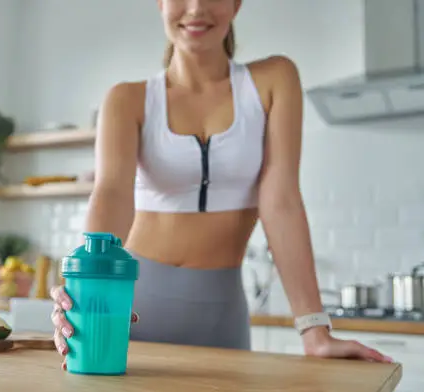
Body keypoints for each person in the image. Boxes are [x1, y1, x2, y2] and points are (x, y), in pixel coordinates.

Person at [50, 0, 393, 369]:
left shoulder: (274, 80)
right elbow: (112, 195)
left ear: (236, 4)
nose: (197, 8)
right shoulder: (127, 99)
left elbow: (281, 201)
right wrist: (83, 299)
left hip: (222, 314)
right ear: (161, 4)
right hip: (132, 310)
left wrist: (314, 330)